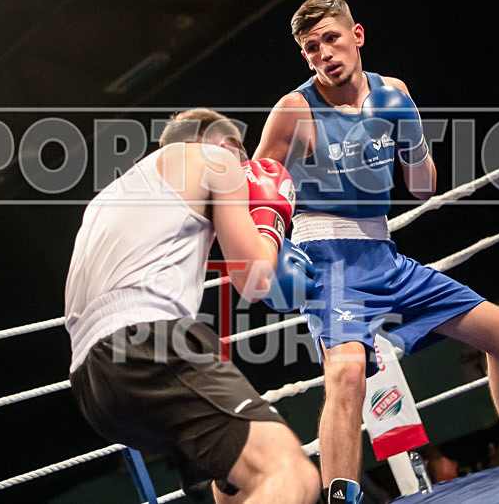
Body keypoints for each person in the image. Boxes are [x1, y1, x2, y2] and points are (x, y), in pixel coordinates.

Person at [254, 0, 499, 503]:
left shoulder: (393, 93)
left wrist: (413, 135)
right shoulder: (294, 110)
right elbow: (257, 186)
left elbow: (422, 187)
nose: (323, 54)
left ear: (356, 35)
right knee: (348, 373)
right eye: (310, 48)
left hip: (385, 257)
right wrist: (270, 249)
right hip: (328, 261)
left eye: (331, 38)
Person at [64, 109, 320, 504]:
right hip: (150, 344)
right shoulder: (217, 160)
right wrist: (270, 217)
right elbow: (256, 280)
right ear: (226, 145)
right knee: (291, 474)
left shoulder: (110, 197)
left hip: (90, 381)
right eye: (244, 160)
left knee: (232, 490)